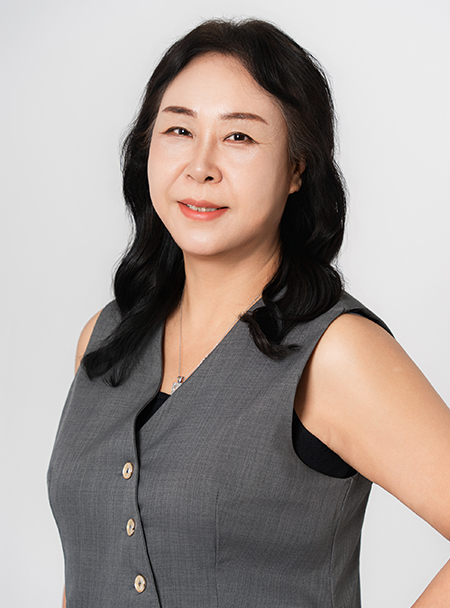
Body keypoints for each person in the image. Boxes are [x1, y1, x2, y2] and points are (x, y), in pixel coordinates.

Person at [48, 18, 450, 608]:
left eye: (239, 136)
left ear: (297, 168)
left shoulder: (335, 352)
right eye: (179, 129)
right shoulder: (103, 338)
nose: (201, 165)